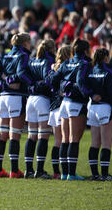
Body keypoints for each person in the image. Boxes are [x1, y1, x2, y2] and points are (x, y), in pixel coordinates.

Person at [0, 32, 33, 178]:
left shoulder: (5, 55)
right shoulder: (23, 55)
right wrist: (31, 83)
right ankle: (14, 170)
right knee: (14, 134)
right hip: (16, 97)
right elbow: (21, 74)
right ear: (26, 43)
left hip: (2, 98)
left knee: (2, 134)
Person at [50, 38, 91, 181]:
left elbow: (53, 78)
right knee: (74, 139)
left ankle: (64, 174)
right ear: (86, 51)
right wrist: (89, 93)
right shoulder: (84, 63)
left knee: (65, 139)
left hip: (64, 104)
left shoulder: (67, 63)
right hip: (76, 103)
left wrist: (60, 89)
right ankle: (71, 174)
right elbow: (80, 82)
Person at [85, 48, 112, 181]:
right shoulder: (108, 71)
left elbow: (85, 86)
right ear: (106, 57)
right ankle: (105, 175)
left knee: (95, 143)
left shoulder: (91, 70)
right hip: (105, 107)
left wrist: (91, 95)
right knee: (106, 144)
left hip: (93, 108)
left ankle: (95, 174)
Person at [23, 39, 56, 179]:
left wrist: (32, 86)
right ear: (52, 49)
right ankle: (40, 170)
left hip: (30, 99)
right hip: (42, 99)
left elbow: (26, 77)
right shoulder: (49, 60)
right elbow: (48, 79)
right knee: (43, 136)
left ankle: (28, 170)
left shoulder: (32, 60)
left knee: (31, 136)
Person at [48, 45, 71, 180]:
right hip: (62, 106)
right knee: (66, 140)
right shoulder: (68, 68)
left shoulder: (53, 67)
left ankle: (56, 171)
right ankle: (66, 171)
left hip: (53, 107)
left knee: (57, 141)